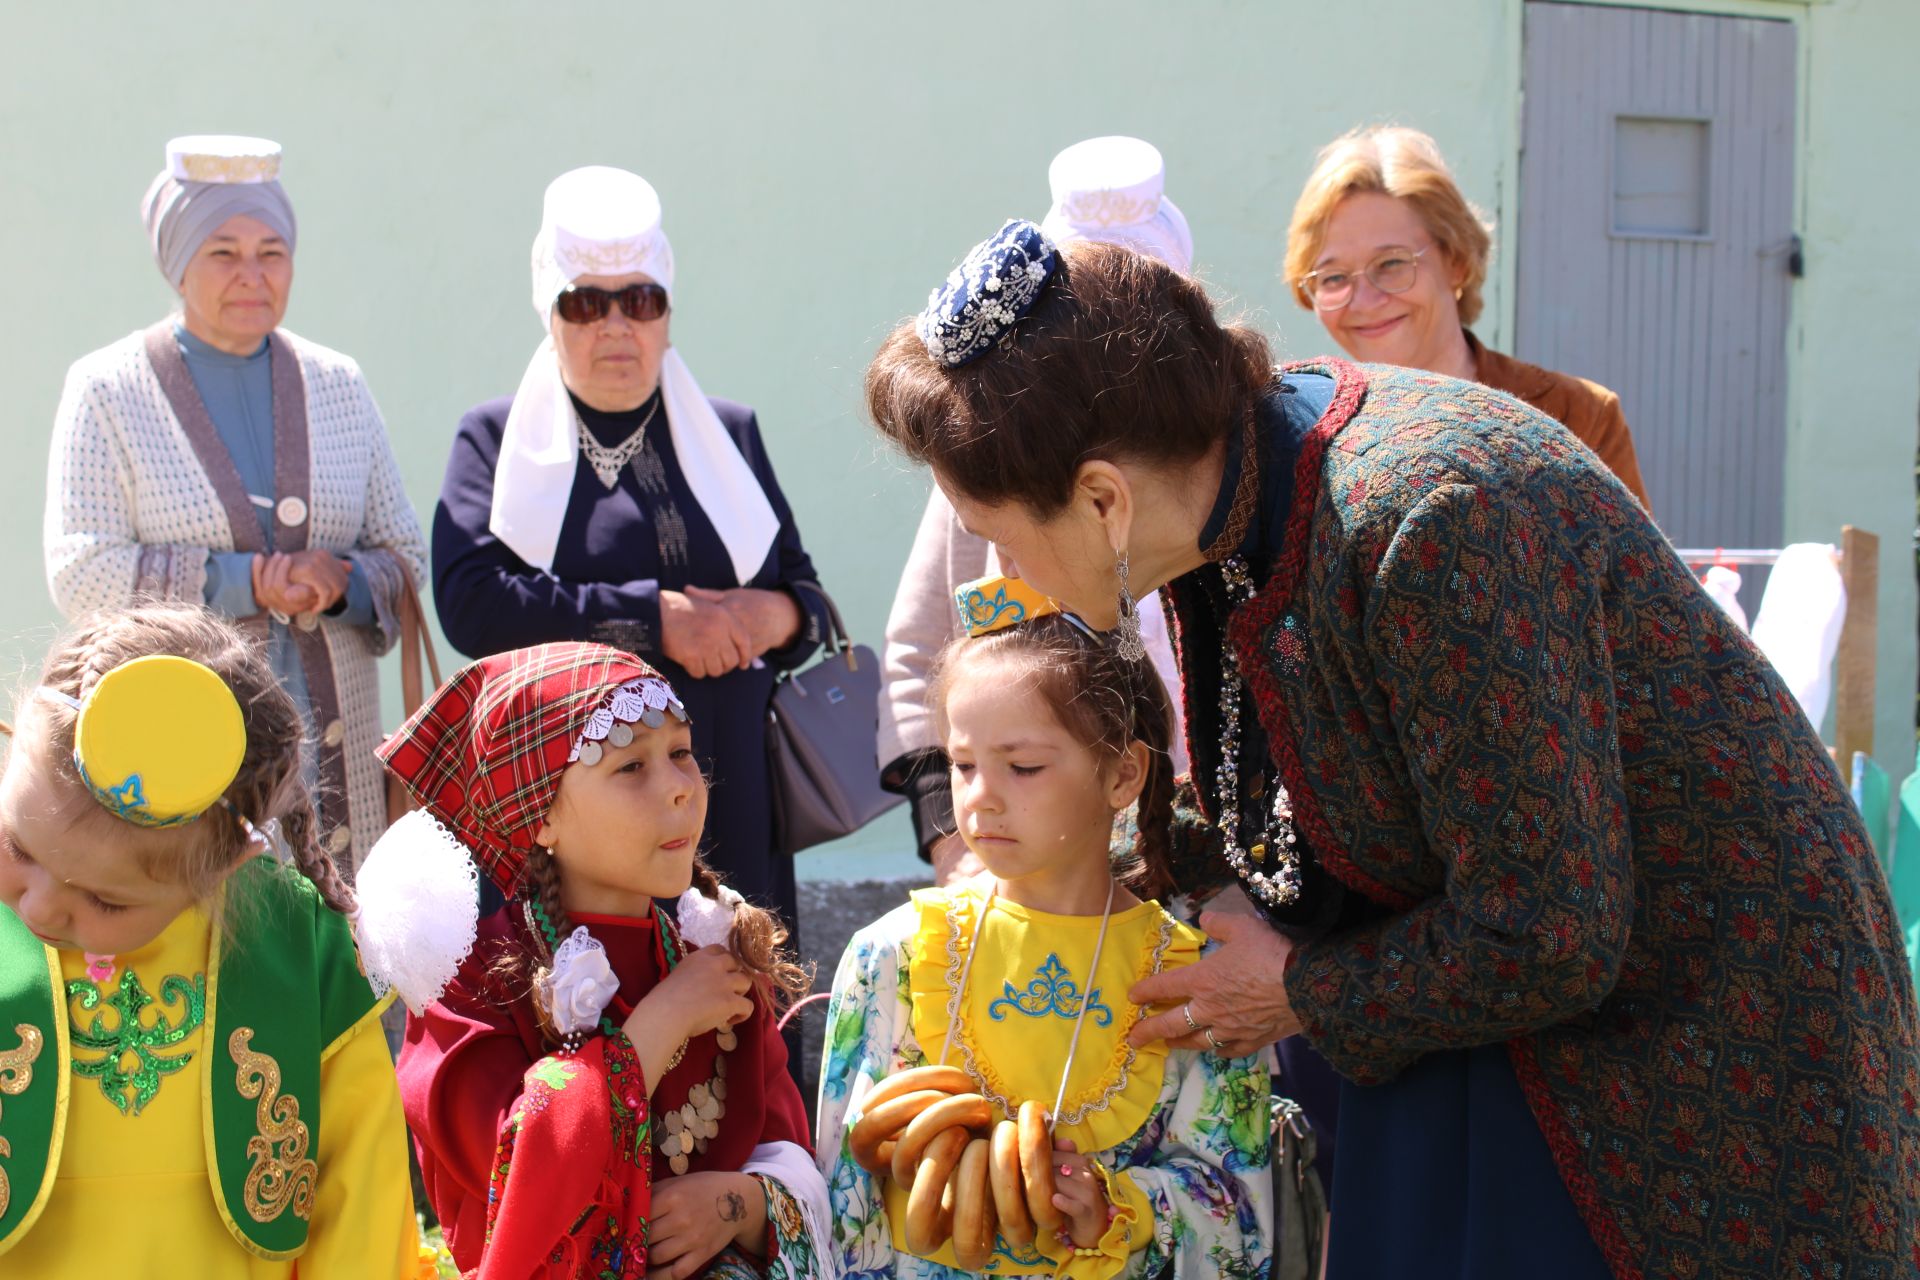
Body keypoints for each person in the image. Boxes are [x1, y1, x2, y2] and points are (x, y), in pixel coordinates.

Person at [861, 219, 1920, 1276]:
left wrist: (1297, 992)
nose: (1002, 567)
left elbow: (1548, 929)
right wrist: (1070, 852)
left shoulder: (1433, 514)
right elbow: (1280, 782)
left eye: (994, 527)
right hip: (1486, 1026)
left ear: (1103, 498)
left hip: (1691, 1069)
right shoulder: (1219, 500)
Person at [819, 574, 1272, 1279]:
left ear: (1122, 776)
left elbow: (1243, 1218)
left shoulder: (1197, 980)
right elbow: (842, 1209)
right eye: (962, 764)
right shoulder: (897, 958)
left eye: (1023, 767)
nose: (980, 800)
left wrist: (1116, 1208)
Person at [433, 166, 830, 937]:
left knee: (736, 1011)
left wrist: (770, 614)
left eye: (640, 301)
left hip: (727, 787)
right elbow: (472, 604)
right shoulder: (495, 438)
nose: (617, 325)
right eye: (586, 303)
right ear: (550, 316)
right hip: (569, 807)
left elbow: (808, 601)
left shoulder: (729, 433)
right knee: (585, 1017)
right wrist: (654, 622)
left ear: (667, 317)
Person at [365, 641, 829, 1278]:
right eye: (631, 767)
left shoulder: (711, 961)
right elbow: (517, 1184)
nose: (678, 790)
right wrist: (658, 1026)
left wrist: (738, 1206)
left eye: (681, 753)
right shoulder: (467, 989)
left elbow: (790, 1152)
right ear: (540, 815)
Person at [44, 135, 429, 870]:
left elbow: (404, 558)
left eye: (272, 252)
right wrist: (246, 582)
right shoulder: (107, 391)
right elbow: (82, 571)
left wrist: (342, 582)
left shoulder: (338, 384)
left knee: (337, 957)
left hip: (338, 769)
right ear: (177, 261)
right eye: (223, 252)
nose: (252, 275)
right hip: (181, 750)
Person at [0, 602, 420, 1275]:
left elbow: (362, 1215)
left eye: (106, 900)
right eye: (16, 846)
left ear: (225, 870)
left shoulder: (297, 950)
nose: (42, 908)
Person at [880, 137, 1193, 890]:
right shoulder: (989, 458)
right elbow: (919, 650)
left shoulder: (1205, 471)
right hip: (1029, 862)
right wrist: (954, 840)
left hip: (1196, 852)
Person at [1284, 124, 1652, 511]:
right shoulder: (1295, 440)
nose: (1365, 299)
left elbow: (1635, 572)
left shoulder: (1579, 416)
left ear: (1456, 261)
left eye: (1391, 263)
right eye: (1334, 277)